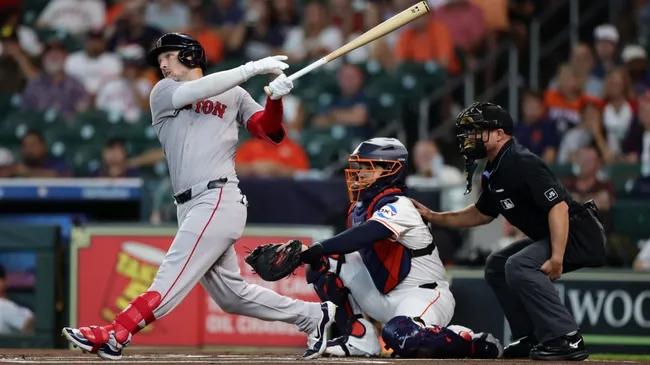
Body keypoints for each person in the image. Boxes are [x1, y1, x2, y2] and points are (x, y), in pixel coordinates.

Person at [62, 32, 336, 361]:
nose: (162, 63)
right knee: (231, 297)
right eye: (159, 58)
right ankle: (313, 315)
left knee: (172, 273)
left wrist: (275, 101)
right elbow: (199, 89)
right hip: (188, 204)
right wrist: (251, 69)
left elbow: (271, 132)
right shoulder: (163, 91)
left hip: (218, 196)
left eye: (169, 55)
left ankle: (117, 333)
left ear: (191, 54)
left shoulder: (234, 93)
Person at [410, 102, 607, 361]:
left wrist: (557, 257)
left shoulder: (521, 161)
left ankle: (567, 338)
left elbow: (558, 207)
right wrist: (433, 216)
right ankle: (531, 336)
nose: (471, 138)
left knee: (518, 265)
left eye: (477, 131)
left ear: (500, 134)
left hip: (577, 232)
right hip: (552, 234)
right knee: (497, 265)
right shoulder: (494, 169)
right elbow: (481, 213)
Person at [283, 138, 501, 359]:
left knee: (402, 337)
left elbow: (368, 233)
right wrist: (313, 254)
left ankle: (472, 342)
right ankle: (359, 337)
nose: (361, 173)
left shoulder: (400, 204)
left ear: (391, 170)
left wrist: (317, 247)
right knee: (321, 263)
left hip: (424, 294)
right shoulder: (359, 208)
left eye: (370, 167)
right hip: (383, 294)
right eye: (361, 167)